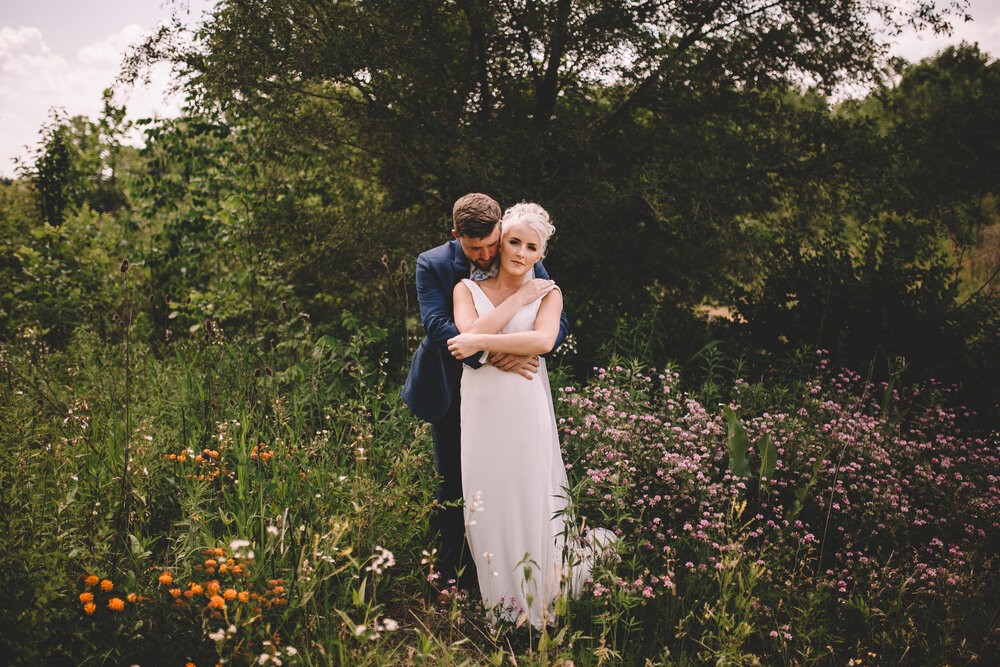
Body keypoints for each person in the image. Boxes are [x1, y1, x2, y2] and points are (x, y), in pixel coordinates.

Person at [446, 202, 614, 628]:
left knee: (528, 489)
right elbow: (465, 335)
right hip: (481, 403)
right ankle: (501, 605)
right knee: (487, 494)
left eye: (531, 247)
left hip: (524, 401)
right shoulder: (466, 289)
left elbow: (542, 339)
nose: (520, 252)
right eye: (514, 242)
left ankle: (539, 598)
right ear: (500, 241)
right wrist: (516, 300)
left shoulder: (550, 292)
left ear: (541, 255)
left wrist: (485, 346)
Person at [401, 193, 569, 590]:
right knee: (454, 478)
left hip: (512, 388)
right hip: (452, 381)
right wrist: (495, 354)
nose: (487, 254)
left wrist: (534, 346)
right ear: (456, 235)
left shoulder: (516, 244)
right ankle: (451, 570)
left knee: (509, 474)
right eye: (476, 248)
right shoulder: (433, 264)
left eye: (493, 243)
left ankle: (505, 566)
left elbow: (554, 317)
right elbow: (439, 327)